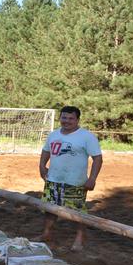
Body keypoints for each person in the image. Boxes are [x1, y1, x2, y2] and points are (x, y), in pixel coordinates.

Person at [37, 106, 103, 252]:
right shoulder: (53, 135)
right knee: (49, 208)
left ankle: (80, 238)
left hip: (75, 182)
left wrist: (92, 178)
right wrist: (42, 166)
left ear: (77, 120)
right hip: (53, 179)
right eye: (64, 118)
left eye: (71, 118)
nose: (67, 121)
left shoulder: (86, 136)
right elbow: (46, 151)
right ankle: (47, 233)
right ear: (60, 118)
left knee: (77, 212)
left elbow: (97, 158)